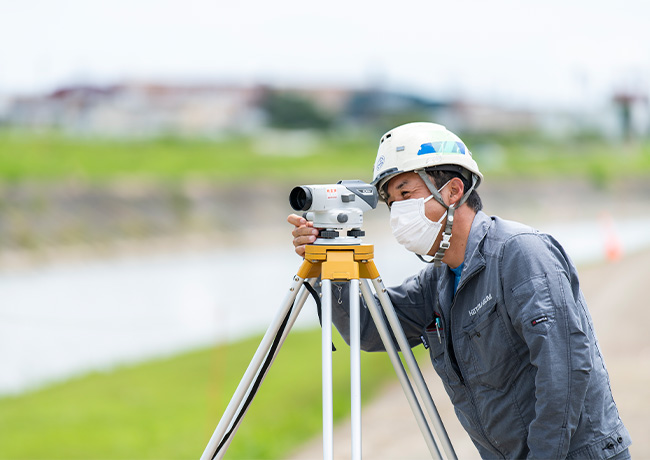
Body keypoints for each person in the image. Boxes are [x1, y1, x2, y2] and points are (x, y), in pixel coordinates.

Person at [288, 122, 631, 459]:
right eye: (391, 202)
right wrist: (325, 264)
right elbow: (368, 329)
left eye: (406, 194)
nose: (398, 213)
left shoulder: (519, 254)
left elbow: (564, 371)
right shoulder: (436, 282)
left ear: (452, 191)